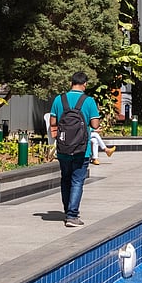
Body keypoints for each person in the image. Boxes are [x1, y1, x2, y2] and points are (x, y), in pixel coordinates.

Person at [50, 72, 100, 226]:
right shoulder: (89, 101)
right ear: (84, 84)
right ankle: (72, 215)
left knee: (65, 179)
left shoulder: (59, 99)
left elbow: (53, 122)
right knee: (77, 181)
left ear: (71, 82)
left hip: (63, 148)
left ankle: (68, 211)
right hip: (81, 149)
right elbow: (95, 125)